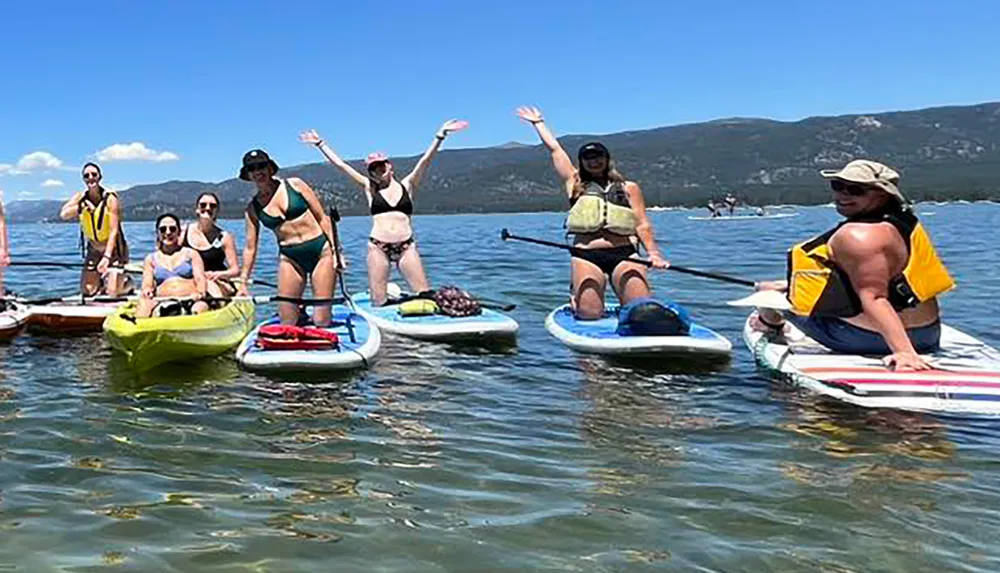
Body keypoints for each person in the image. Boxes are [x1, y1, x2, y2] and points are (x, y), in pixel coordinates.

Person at [751, 159, 954, 371]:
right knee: (779, 285)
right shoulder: (902, 223)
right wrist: (789, 284)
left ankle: (769, 325)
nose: (842, 195)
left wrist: (904, 352)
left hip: (870, 339)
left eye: (855, 190)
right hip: (929, 334)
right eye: (838, 186)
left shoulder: (855, 236)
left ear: (882, 194)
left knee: (768, 293)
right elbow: (878, 279)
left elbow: (874, 297)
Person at [516, 105, 669, 320]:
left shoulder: (628, 188)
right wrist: (538, 124)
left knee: (641, 312)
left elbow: (642, 224)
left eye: (598, 156)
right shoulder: (575, 183)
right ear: (582, 162)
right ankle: (577, 298)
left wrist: (653, 253)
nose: (594, 161)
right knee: (589, 314)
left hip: (624, 253)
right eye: (588, 158)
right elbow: (555, 150)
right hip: (587, 255)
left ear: (607, 159)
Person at [300, 119, 468, 306]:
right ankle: (386, 301)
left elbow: (425, 160)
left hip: (406, 247)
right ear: (371, 173)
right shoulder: (369, 188)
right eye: (373, 168)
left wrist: (440, 135)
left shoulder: (408, 184)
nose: (378, 169)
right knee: (378, 302)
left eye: (381, 165)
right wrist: (320, 144)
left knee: (424, 294)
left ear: (390, 166)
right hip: (378, 247)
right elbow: (342, 166)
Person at [236, 149, 340, 326]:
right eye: (252, 168)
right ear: (248, 174)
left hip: (320, 251)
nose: (258, 171)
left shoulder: (295, 185)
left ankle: (318, 316)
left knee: (321, 321)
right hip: (290, 258)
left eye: (261, 166)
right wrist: (242, 282)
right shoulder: (252, 209)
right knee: (287, 322)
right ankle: (299, 314)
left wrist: (337, 253)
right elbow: (250, 248)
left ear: (270, 168)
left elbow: (323, 218)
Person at [58, 163, 131, 296]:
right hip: (93, 248)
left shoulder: (110, 198)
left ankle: (127, 283)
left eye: (94, 175)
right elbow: (63, 215)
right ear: (83, 179)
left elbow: (114, 231)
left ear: (100, 177)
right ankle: (102, 282)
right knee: (88, 291)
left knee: (113, 293)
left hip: (113, 249)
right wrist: (81, 207)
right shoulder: (80, 197)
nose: (91, 178)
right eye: (87, 176)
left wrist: (107, 257)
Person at [135, 213, 209, 319]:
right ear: (157, 233)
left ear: (178, 232)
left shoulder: (191, 254)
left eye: (172, 229)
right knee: (143, 305)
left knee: (200, 308)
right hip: (162, 301)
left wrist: (201, 292)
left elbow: (200, 278)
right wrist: (147, 291)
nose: (168, 232)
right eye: (163, 229)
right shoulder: (151, 259)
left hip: (190, 300)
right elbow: (147, 283)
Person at [182, 192, 240, 297]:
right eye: (203, 205)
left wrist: (217, 274)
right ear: (197, 209)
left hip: (216, 282)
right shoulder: (183, 232)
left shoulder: (225, 237)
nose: (207, 208)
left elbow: (235, 270)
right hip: (192, 281)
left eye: (212, 206)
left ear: (217, 211)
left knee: (209, 285)